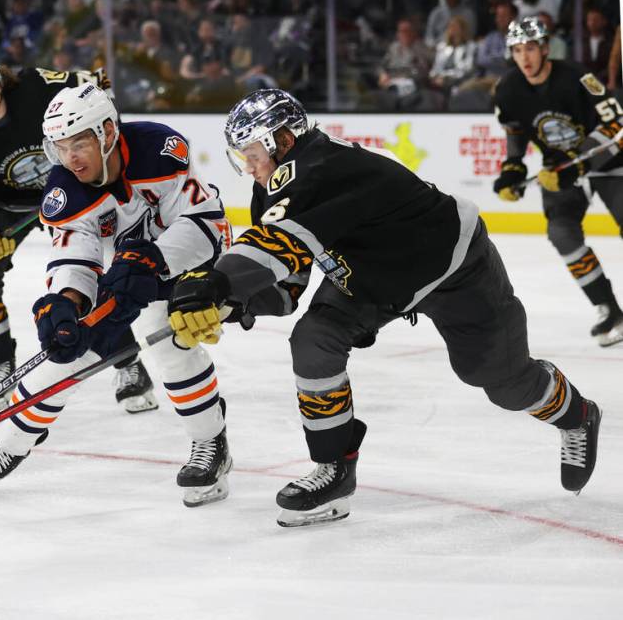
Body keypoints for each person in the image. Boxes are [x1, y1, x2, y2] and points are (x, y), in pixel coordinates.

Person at [165, 88, 603, 528]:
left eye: (253, 152)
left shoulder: (325, 166)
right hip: (371, 279)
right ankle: (334, 468)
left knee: (501, 381)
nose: (248, 166)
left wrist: (217, 282)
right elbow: (287, 286)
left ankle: (578, 415)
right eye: (240, 155)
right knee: (314, 338)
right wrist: (230, 303)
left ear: (282, 138)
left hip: (452, 266)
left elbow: (279, 245)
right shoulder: (273, 188)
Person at [0, 84, 235, 507]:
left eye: (79, 142)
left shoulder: (159, 149)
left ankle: (211, 442)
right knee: (65, 353)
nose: (70, 157)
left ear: (106, 132)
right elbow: (76, 258)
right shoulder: (65, 192)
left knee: (168, 338)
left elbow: (206, 224)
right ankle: (8, 448)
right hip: (124, 269)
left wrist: (153, 260)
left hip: (191, 263)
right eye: (60, 147)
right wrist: (65, 302)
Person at [0, 46, 159, 415]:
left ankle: (128, 364)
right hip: (8, 206)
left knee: (88, 275)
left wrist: (102, 153)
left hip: (73, 190)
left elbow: (95, 87)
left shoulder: (37, 88)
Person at [492, 17, 623, 346]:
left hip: (609, 162)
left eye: (531, 48)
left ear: (546, 48)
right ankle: (609, 309)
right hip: (560, 166)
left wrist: (580, 163)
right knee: (561, 232)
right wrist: (513, 166)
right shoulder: (507, 89)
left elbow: (616, 123)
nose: (525, 57)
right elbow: (515, 130)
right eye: (518, 50)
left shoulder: (580, 76)